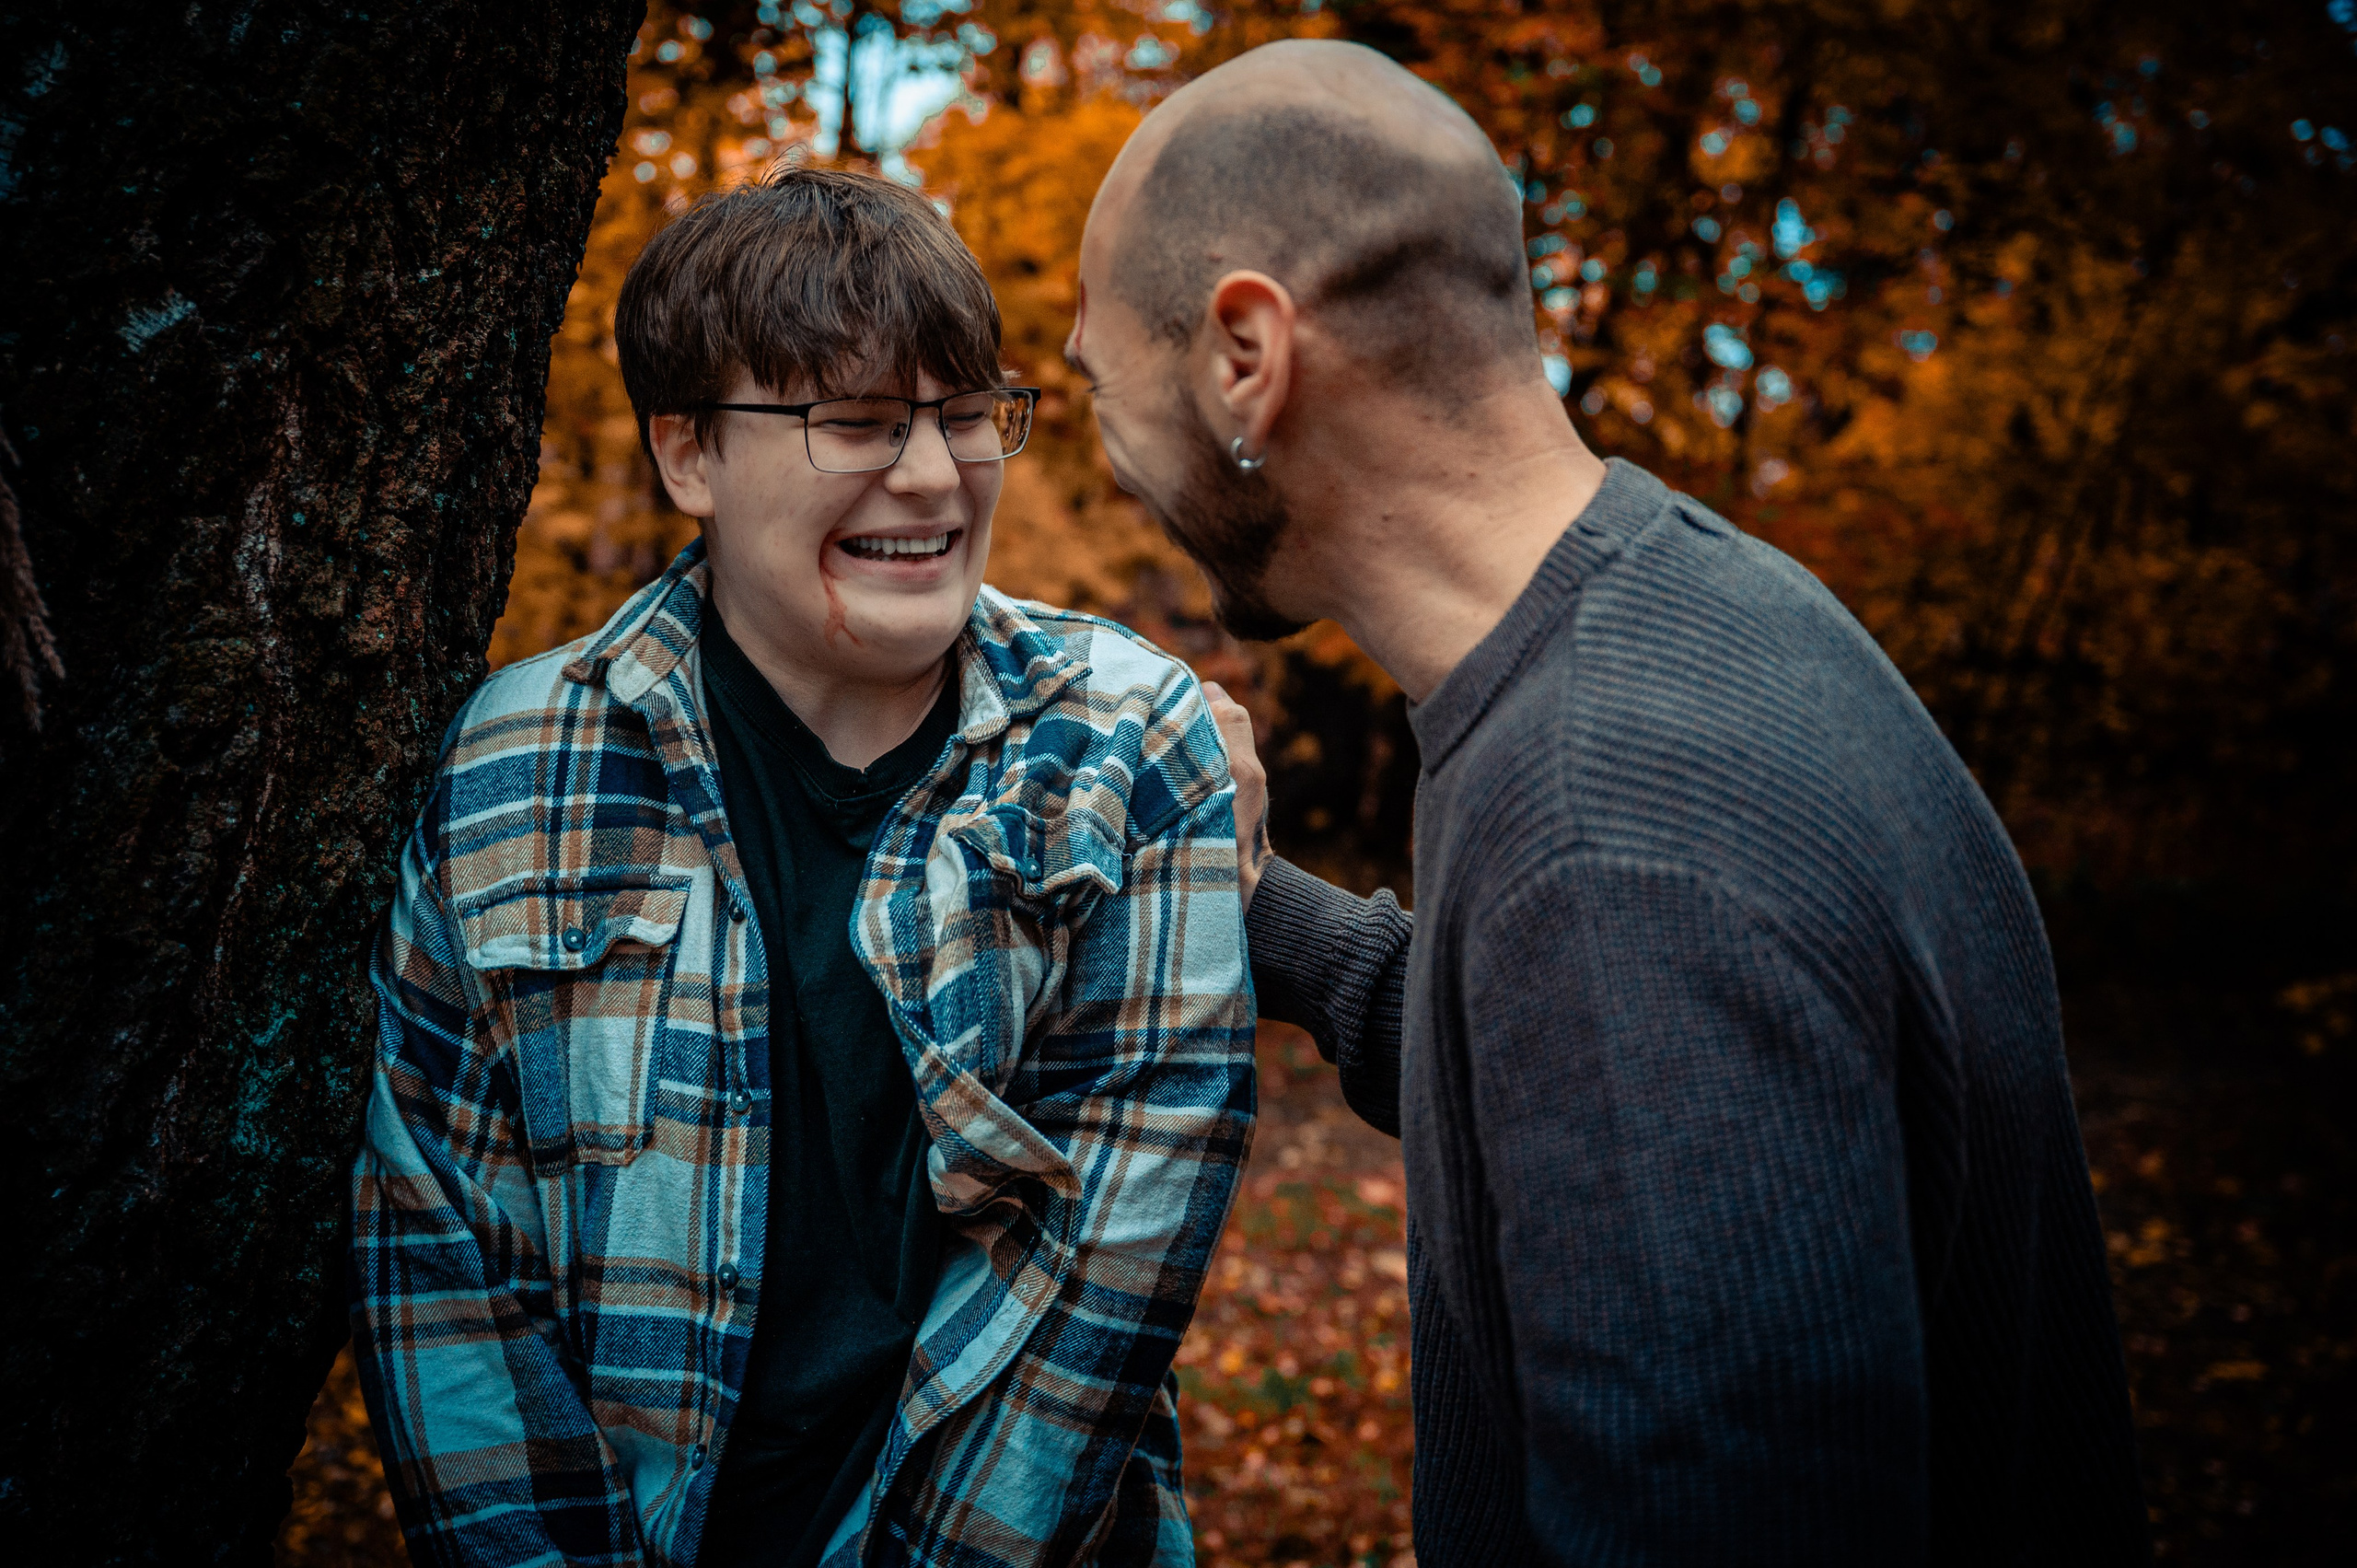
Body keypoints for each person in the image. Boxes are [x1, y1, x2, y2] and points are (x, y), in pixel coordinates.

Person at [1070, 39, 2150, 1566]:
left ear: (1246, 355)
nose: (1108, 454)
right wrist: (1264, 911)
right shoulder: (1693, 618)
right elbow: (1580, 1093)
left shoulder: (1617, 836)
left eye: (1097, 381)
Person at [348, 168, 1255, 1567]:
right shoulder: (513, 770)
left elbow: (1108, 1279)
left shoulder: (1125, 744)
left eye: (966, 415)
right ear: (688, 455)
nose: (934, 474)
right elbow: (442, 1272)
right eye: (858, 422)